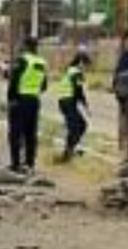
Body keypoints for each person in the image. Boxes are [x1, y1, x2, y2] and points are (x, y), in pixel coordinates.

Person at [7, 37, 49, 173]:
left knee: (16, 133)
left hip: (20, 101)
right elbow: (44, 86)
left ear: (25, 46)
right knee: (31, 134)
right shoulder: (42, 63)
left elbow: (14, 81)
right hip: (34, 101)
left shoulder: (22, 60)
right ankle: (30, 163)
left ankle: (15, 164)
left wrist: (11, 99)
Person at [57, 51, 93, 162]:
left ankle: (70, 150)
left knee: (79, 126)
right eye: (86, 65)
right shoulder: (76, 73)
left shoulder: (70, 70)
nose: (86, 69)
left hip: (64, 101)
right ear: (81, 62)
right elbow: (79, 92)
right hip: (68, 102)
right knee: (77, 127)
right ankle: (67, 154)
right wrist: (86, 107)